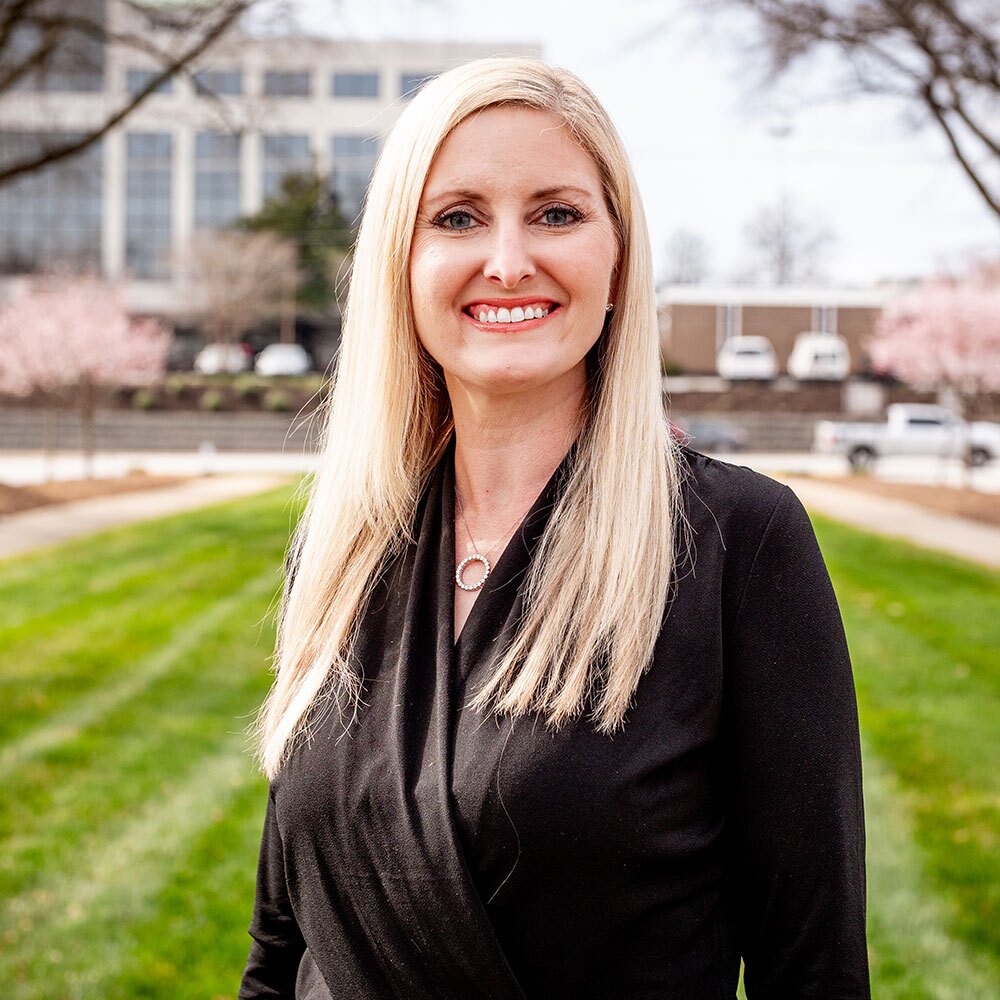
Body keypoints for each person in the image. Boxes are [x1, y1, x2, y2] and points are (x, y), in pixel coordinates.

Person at [238, 58, 870, 1000]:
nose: (507, 260)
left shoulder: (738, 539)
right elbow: (281, 949)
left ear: (618, 259)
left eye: (557, 213)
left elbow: (811, 968)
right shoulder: (341, 545)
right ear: (399, 267)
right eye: (457, 217)